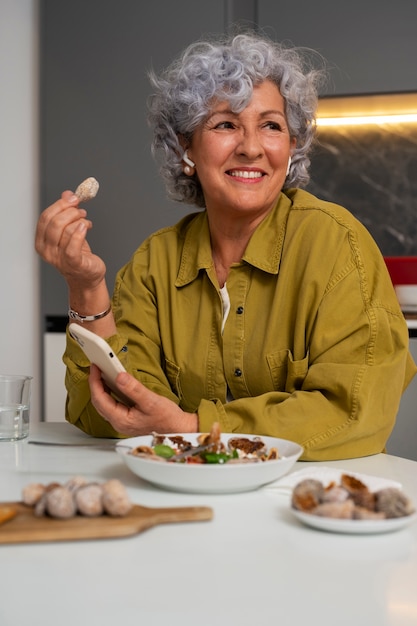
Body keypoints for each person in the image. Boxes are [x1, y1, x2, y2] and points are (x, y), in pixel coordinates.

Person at [35, 31, 416, 461]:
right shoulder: (154, 263)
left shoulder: (337, 246)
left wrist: (194, 428)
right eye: (226, 125)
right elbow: (109, 414)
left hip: (311, 506)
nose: (251, 147)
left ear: (292, 146)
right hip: (186, 496)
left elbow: (356, 412)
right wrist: (85, 287)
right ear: (186, 148)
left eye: (271, 125)